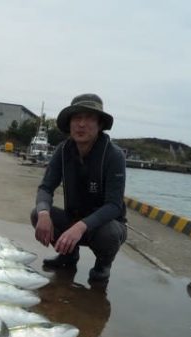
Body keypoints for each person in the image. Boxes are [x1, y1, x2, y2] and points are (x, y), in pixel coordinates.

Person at [31, 93, 127, 282]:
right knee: (38, 213)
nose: (81, 124)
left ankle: (103, 265)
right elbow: (46, 187)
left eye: (89, 118)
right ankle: (68, 256)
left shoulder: (114, 155)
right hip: (73, 219)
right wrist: (43, 213)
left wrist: (82, 226)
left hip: (102, 225)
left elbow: (114, 205)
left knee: (109, 234)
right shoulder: (63, 150)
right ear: (70, 123)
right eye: (77, 118)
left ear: (100, 125)